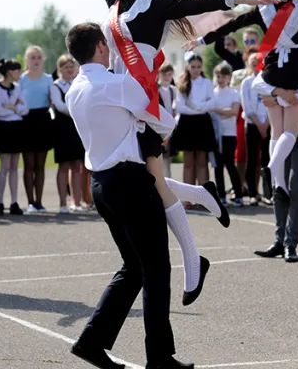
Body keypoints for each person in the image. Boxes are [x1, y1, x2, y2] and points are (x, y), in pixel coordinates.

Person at [73, 0, 279, 305]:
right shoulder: (115, 3)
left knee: (150, 179)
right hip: (121, 96)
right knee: (146, 178)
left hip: (143, 98)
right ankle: (203, 200)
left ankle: (192, 259)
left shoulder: (155, 0)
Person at [63, 22, 192, 369]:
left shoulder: (73, 89)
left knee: (134, 267)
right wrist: (162, 125)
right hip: (129, 183)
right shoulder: (116, 83)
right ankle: (159, 357)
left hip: (102, 183)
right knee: (155, 269)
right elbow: (161, 120)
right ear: (102, 47)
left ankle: (92, 341)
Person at [186, 0, 298, 199]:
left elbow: (230, 27)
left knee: (275, 130)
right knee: (291, 128)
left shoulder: (261, 11)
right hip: (295, 69)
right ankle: (274, 168)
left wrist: (201, 40)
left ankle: (278, 182)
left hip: (269, 73)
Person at [252, 49, 298, 262]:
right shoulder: (276, 58)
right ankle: (279, 241)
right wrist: (278, 93)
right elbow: (257, 83)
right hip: (281, 130)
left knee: (296, 185)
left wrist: (276, 96)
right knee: (278, 186)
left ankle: (291, 244)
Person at [0, 59, 28, 216]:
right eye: (18, 71)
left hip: (16, 128)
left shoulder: (17, 88)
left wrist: (11, 107)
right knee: (4, 166)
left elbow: (25, 110)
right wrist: (15, 108)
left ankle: (13, 201)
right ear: (10, 72)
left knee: (14, 167)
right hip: (3, 128)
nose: (20, 74)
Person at [171, 53, 216, 186]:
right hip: (187, 124)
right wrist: (199, 108)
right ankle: (188, 196)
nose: (196, 69)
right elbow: (179, 106)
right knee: (189, 162)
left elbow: (212, 103)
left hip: (203, 123)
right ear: (188, 67)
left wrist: (198, 107)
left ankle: (203, 196)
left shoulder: (206, 82)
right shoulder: (182, 83)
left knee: (202, 161)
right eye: (193, 67)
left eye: (198, 67)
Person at [19, 45, 53, 212]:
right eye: (32, 57)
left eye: (38, 57)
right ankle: (30, 201)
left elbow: (52, 100)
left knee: (40, 165)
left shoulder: (48, 79)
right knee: (29, 164)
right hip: (26, 121)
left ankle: (39, 201)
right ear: (26, 60)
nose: (36, 61)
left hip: (43, 120)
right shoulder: (21, 79)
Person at [50, 55, 85, 213]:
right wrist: (77, 111)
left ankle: (76, 202)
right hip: (62, 127)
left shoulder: (78, 83)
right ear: (59, 69)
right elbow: (59, 105)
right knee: (64, 165)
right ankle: (62, 203)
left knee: (77, 165)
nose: (69, 69)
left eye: (71, 66)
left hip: (76, 127)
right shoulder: (55, 86)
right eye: (66, 67)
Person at [211, 62, 243, 205]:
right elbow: (211, 110)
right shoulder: (212, 92)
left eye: (224, 76)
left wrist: (218, 111)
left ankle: (239, 194)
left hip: (230, 134)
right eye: (218, 76)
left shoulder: (234, 93)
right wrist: (224, 111)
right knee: (218, 165)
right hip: (216, 134)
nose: (220, 79)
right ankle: (221, 195)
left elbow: (234, 112)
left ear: (229, 77)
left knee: (230, 163)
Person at [241, 53, 270, 206]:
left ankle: (268, 193)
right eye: (253, 62)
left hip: (268, 124)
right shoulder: (246, 82)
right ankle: (253, 193)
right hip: (253, 125)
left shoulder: (269, 80)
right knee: (252, 160)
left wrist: (266, 124)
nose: (256, 64)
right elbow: (247, 106)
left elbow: (273, 103)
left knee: (267, 159)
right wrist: (259, 124)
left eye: (258, 61)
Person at [158, 63, 177, 178]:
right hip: (159, 127)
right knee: (159, 159)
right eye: (164, 74)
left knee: (168, 158)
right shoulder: (155, 88)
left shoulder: (173, 90)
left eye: (169, 74)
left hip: (169, 128)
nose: (166, 77)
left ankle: (168, 183)